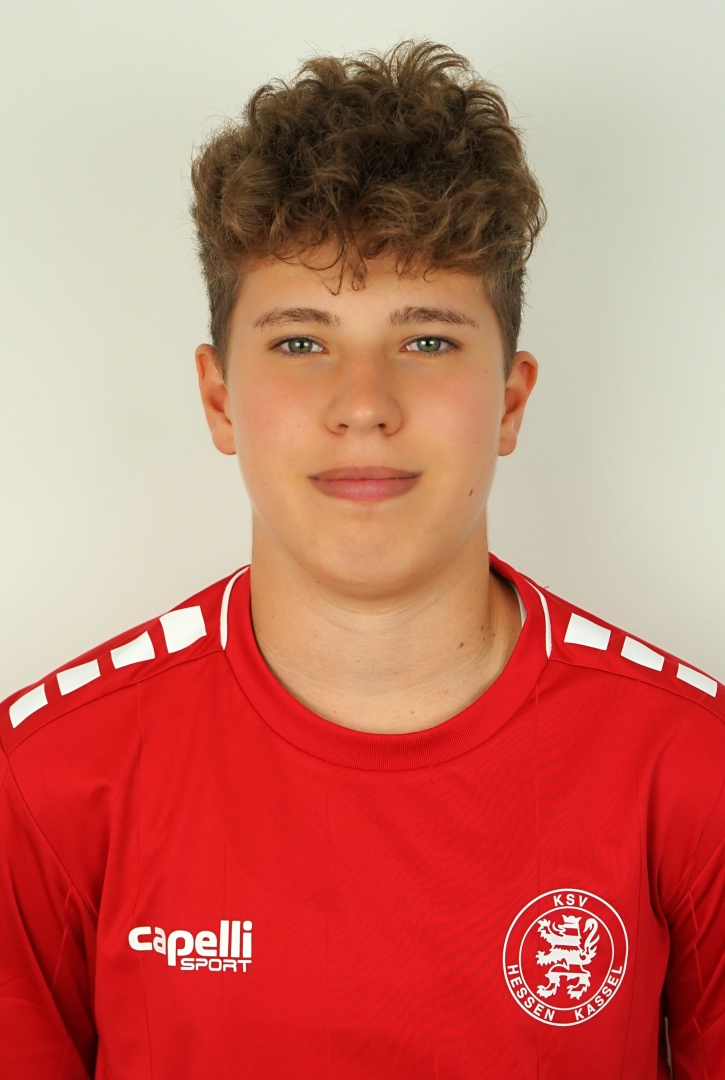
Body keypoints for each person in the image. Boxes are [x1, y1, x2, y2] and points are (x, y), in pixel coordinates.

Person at [1, 40, 723, 1080]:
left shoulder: (688, 765)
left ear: (510, 400)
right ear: (218, 398)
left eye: (426, 340)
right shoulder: (44, 781)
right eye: (301, 341)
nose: (364, 405)